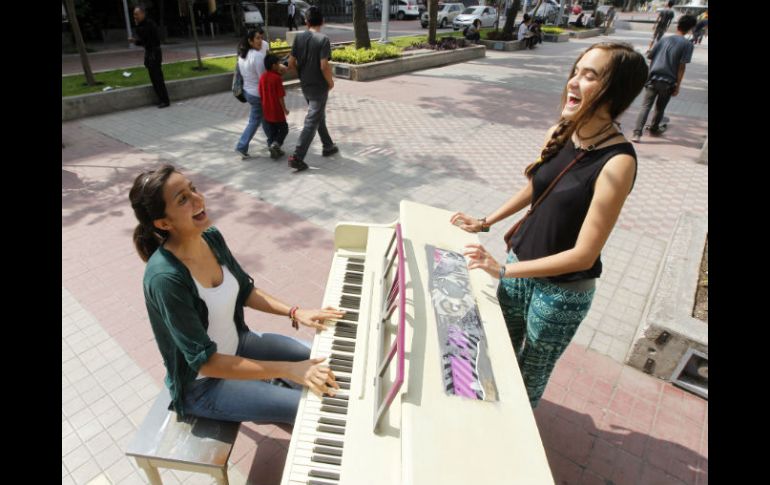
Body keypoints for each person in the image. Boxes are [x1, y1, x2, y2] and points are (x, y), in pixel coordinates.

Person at [450, 42, 648, 408]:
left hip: (560, 295)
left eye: (590, 76)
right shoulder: (562, 131)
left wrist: (504, 269)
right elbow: (536, 186)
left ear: (615, 90)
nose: (574, 81)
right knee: (497, 352)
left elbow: (584, 255)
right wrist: (485, 221)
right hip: (519, 270)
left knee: (529, 375)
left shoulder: (618, 162)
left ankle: (512, 446)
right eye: (576, 70)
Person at [129, 164, 345, 423]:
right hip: (205, 385)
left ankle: (273, 383)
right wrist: (290, 370)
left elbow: (244, 289)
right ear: (163, 223)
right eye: (183, 199)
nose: (198, 199)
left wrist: (295, 311)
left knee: (332, 358)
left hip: (240, 344)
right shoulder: (166, 279)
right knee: (318, 410)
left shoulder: (209, 236)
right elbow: (205, 363)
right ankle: (275, 385)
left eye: (193, 188)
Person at [287, 7, 339, 172]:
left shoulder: (299, 38)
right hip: (319, 86)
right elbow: (324, 66)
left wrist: (301, 74)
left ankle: (328, 146)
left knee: (318, 115)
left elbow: (290, 63)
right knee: (312, 119)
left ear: (306, 22)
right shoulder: (323, 39)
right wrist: (330, 82)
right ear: (322, 22)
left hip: (306, 84)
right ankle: (297, 156)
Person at [632, 15, 697, 142]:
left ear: (678, 24)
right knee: (660, 108)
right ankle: (654, 127)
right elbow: (681, 67)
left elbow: (651, 57)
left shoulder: (663, 40)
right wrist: (678, 86)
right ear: (691, 28)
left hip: (653, 78)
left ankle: (637, 134)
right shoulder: (687, 45)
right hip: (668, 82)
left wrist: (649, 75)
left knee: (645, 106)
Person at [235, 28, 269, 160]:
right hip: (257, 94)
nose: (260, 41)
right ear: (250, 41)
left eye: (261, 38)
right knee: (255, 120)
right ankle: (241, 146)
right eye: (257, 38)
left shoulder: (242, 55)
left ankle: (272, 141)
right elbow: (263, 79)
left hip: (248, 92)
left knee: (263, 118)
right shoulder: (257, 56)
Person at [129, 6, 170, 108]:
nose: (135, 17)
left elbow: (147, 39)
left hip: (154, 53)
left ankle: (165, 100)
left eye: (137, 14)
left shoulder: (149, 24)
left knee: (158, 78)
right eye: (134, 14)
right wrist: (135, 41)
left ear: (143, 14)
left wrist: (138, 29)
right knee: (153, 77)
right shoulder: (142, 25)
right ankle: (161, 99)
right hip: (149, 53)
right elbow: (143, 42)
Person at [260, 54, 290, 159]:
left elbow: (260, 93)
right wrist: (285, 109)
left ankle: (274, 149)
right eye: (278, 64)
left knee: (272, 131)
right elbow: (280, 97)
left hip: (266, 110)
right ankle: (275, 145)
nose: (280, 65)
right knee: (284, 129)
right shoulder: (277, 78)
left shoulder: (262, 77)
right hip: (276, 110)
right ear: (273, 66)